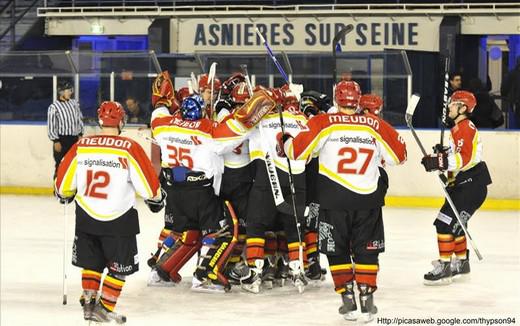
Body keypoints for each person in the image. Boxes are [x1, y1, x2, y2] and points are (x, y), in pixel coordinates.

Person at [280, 80, 407, 322]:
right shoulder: (376, 125)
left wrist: (284, 140)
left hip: (333, 201)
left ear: (336, 99)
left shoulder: (322, 123)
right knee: (366, 250)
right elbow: (399, 157)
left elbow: (296, 152)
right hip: (368, 201)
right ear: (358, 101)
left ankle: (347, 298)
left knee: (336, 250)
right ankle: (367, 297)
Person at [147, 71, 281, 292]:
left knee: (189, 233)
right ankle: (205, 275)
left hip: (174, 191)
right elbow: (239, 126)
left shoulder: (162, 125)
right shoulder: (207, 131)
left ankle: (162, 270)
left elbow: (159, 108)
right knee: (226, 232)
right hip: (200, 192)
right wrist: (258, 104)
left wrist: (162, 100)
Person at [54, 101, 164, 323]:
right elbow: (148, 186)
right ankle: (103, 308)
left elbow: (63, 182)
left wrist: (64, 193)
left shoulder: (81, 146)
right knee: (119, 268)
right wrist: (157, 198)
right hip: (119, 219)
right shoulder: (129, 147)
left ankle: (89, 306)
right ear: (121, 122)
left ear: (99, 121)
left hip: (86, 217)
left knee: (91, 263)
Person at [421, 90, 492, 286]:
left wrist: (439, 161)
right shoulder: (458, 128)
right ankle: (461, 263)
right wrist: (443, 155)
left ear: (462, 107)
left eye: (453, 104)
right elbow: (458, 157)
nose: (449, 107)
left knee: (444, 223)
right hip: (466, 184)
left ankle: (445, 268)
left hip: (471, 186)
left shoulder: (465, 127)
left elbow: (465, 159)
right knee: (456, 225)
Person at [47, 81, 84, 178]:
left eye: (71, 90)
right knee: (60, 165)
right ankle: (58, 189)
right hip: (62, 140)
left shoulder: (74, 103)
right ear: (61, 92)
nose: (70, 92)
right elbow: (52, 125)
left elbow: (79, 118)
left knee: (75, 164)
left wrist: (80, 134)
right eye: (68, 90)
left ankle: (73, 189)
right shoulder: (54, 107)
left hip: (75, 139)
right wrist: (56, 141)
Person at [501, 57, 520, 128]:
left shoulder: (512, 74)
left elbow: (504, 87)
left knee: (517, 122)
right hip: (516, 101)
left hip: (516, 102)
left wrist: (505, 96)